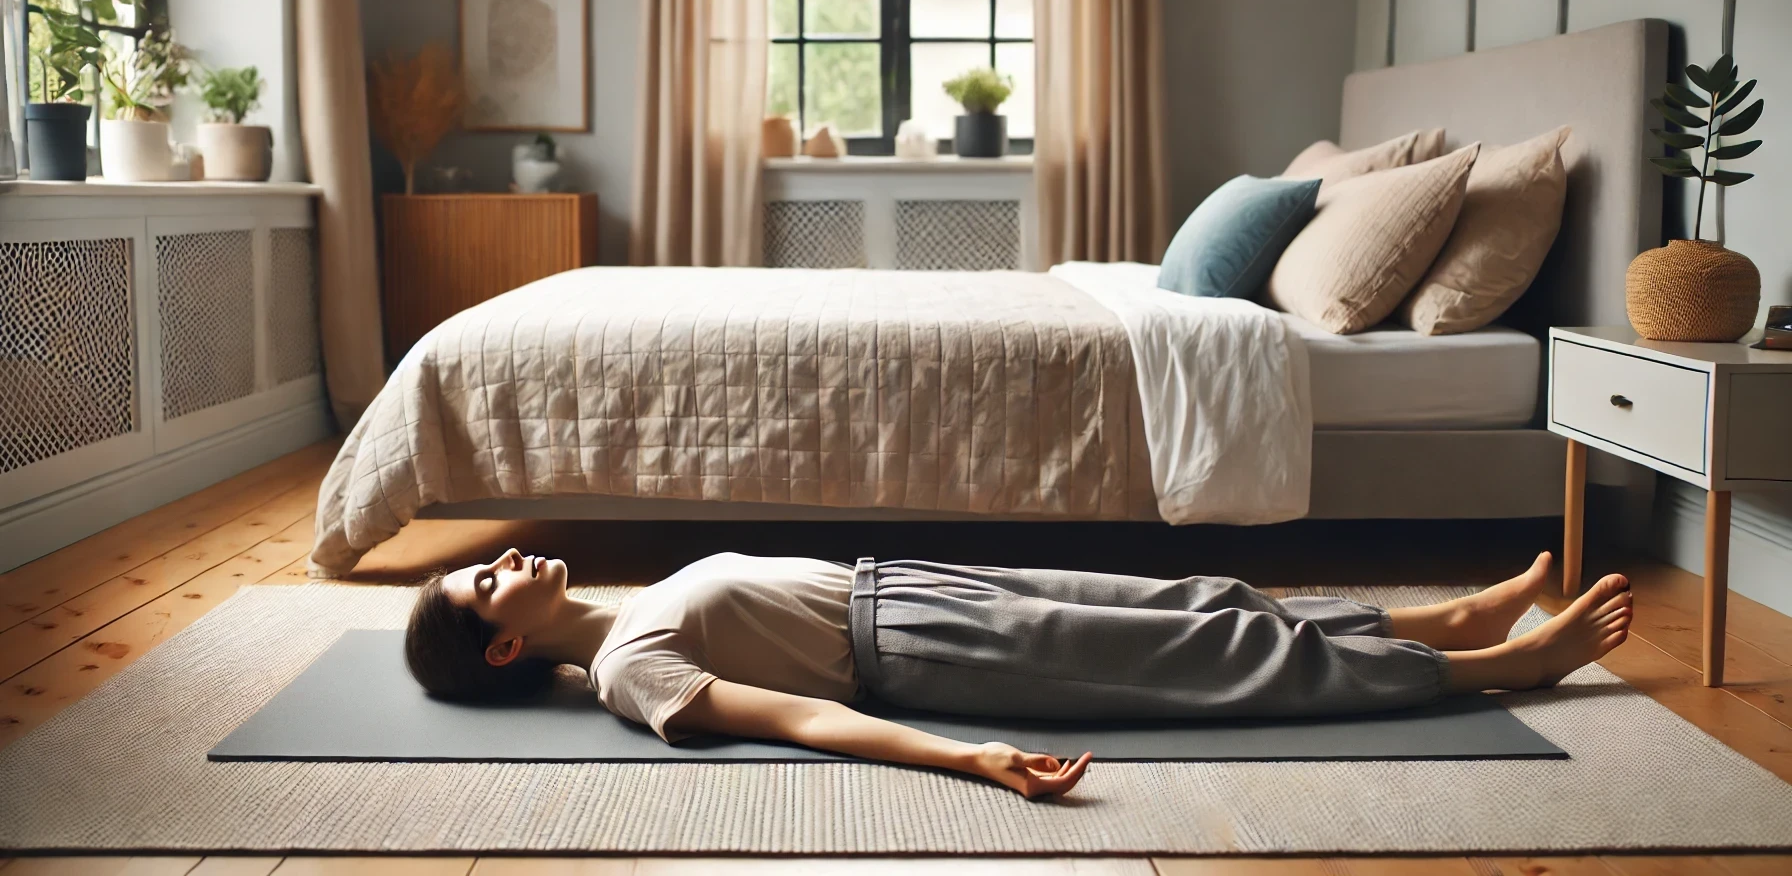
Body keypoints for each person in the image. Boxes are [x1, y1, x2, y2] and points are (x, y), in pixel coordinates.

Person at [404, 549, 1631, 799]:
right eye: (484, 586)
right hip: (921, 651)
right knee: (1210, 659)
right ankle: (1497, 665)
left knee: (1185, 598)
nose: (502, 561)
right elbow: (796, 715)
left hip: (914, 583)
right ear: (504, 644)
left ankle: (1440, 610)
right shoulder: (630, 668)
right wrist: (968, 760)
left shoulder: (639, 598)